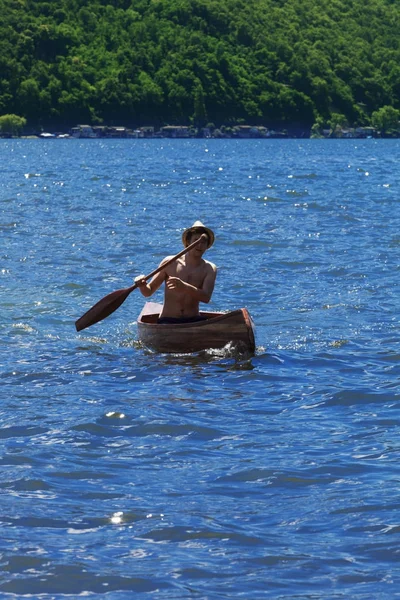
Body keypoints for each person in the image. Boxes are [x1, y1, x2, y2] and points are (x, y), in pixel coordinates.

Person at [135, 221, 217, 324]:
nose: (200, 245)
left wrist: (184, 287)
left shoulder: (209, 268)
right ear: (188, 242)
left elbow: (206, 298)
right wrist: (142, 285)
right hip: (168, 320)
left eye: (203, 242)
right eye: (196, 241)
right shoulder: (170, 262)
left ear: (207, 245)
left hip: (193, 320)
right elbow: (148, 292)